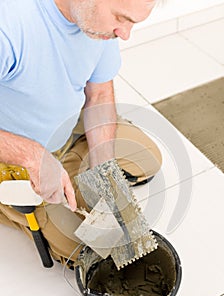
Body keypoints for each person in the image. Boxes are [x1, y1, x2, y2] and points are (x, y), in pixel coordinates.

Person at [0, 0, 162, 266]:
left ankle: (67, 168)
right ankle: (15, 202)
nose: (125, 33)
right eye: (121, 18)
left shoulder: (96, 25)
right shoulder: (9, 24)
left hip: (63, 125)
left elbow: (98, 94)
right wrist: (31, 155)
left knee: (147, 158)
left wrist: (103, 173)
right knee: (87, 250)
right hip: (12, 155)